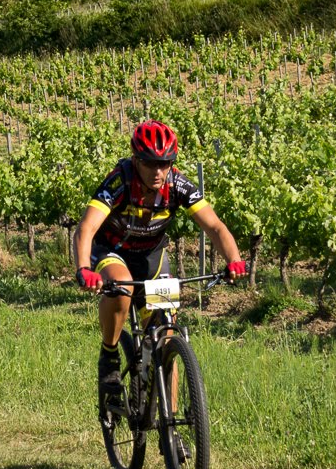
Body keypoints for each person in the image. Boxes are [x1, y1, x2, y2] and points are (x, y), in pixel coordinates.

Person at [73, 120, 247, 398]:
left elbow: (214, 226)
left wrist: (234, 259)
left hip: (151, 257)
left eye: (165, 164)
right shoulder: (120, 182)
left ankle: (173, 433)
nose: (158, 171)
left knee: (166, 338)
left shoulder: (178, 185)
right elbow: (86, 228)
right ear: (135, 160)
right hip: (112, 252)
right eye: (150, 163)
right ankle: (109, 356)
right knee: (123, 285)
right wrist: (84, 268)